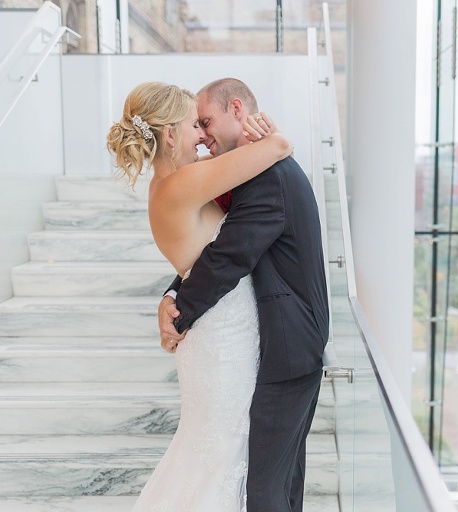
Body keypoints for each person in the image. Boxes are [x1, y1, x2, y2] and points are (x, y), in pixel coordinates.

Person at [107, 81, 292, 511]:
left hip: (216, 333)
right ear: (170, 135)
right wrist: (260, 129)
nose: (204, 137)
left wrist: (168, 295)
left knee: (212, 455)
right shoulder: (184, 183)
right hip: (220, 340)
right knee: (219, 455)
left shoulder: (167, 187)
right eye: (196, 125)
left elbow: (195, 258)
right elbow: (279, 146)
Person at [158, 78, 329, 512]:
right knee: (281, 482)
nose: (203, 132)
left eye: (206, 120)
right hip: (286, 345)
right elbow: (214, 245)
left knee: (267, 488)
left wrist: (180, 313)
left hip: (288, 349)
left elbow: (229, 256)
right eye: (195, 124)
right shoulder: (258, 170)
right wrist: (173, 291)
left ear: (237, 109)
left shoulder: (268, 174)